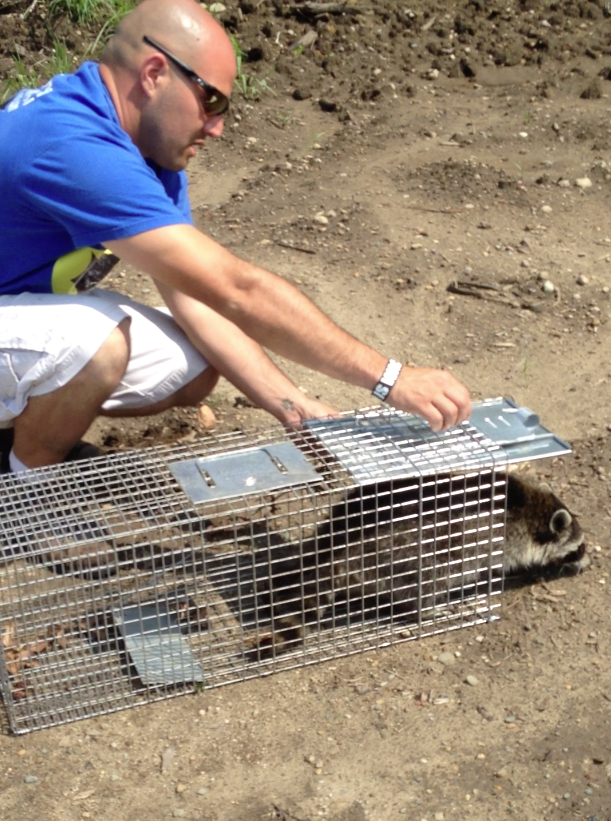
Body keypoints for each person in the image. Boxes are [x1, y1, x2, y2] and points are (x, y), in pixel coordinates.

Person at [0, 0, 471, 475]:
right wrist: (389, 379)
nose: (218, 126)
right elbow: (237, 289)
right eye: (212, 101)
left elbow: (199, 298)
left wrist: (294, 407)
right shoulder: (72, 145)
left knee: (195, 360)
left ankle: (30, 424)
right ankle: (27, 480)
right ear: (155, 73)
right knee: (96, 342)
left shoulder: (146, 146)